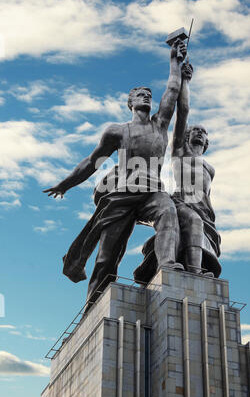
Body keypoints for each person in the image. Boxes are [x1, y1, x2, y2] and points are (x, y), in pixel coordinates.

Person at [43, 39, 187, 312]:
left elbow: (172, 90)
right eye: (139, 94)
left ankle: (168, 265)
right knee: (107, 257)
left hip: (151, 191)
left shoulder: (160, 125)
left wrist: (174, 61)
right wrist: (66, 184)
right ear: (130, 102)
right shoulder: (116, 131)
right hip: (122, 194)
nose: (146, 96)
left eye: (148, 94)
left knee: (168, 210)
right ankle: (93, 303)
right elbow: (91, 161)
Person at [134, 61, 221, 283]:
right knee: (193, 221)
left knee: (197, 225)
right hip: (183, 203)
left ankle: (194, 268)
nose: (199, 133)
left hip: (205, 210)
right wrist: (185, 82)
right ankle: (195, 270)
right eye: (196, 130)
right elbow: (183, 112)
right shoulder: (180, 152)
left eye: (204, 132)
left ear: (208, 141)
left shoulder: (210, 168)